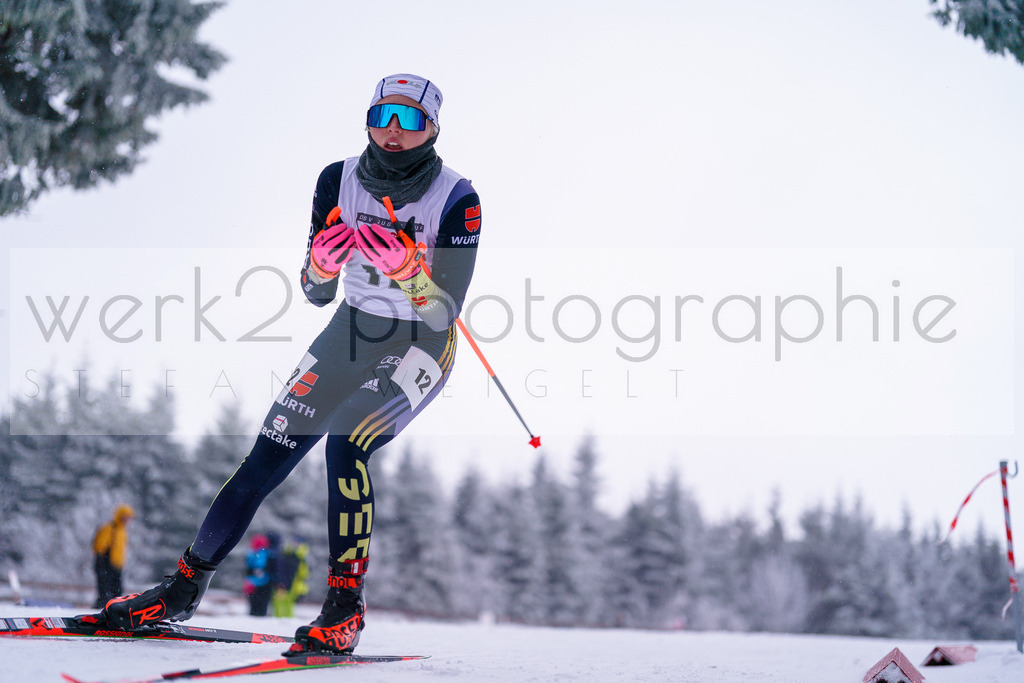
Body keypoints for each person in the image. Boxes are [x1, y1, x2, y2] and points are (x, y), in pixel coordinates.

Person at [101, 74, 481, 654]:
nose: (394, 132)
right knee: (267, 452)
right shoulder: (338, 179)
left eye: (410, 120)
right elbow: (314, 291)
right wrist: (322, 268)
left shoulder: (457, 198)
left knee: (347, 442)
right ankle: (181, 589)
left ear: (433, 127)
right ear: (368, 121)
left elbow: (444, 311)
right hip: (349, 331)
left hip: (421, 343)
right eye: (384, 117)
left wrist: (409, 272)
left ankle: (344, 608)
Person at [91, 504, 134, 608]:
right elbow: (99, 546)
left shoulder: (122, 531)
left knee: (117, 593)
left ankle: (113, 611)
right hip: (106, 565)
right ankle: (100, 612)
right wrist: (104, 561)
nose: (129, 520)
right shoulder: (109, 528)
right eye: (127, 517)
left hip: (116, 566)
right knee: (105, 592)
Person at [273, 537, 310, 617]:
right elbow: (303, 574)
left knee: (283, 602)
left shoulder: (291, 557)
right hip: (293, 583)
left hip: (291, 584)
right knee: (285, 602)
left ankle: (283, 619)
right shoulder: (299, 558)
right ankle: (286, 619)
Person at [243, 533, 275, 616]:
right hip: (263, 583)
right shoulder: (267, 553)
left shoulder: (252, 553)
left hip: (253, 583)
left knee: (254, 605)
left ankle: (254, 616)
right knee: (261, 605)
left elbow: (248, 568)